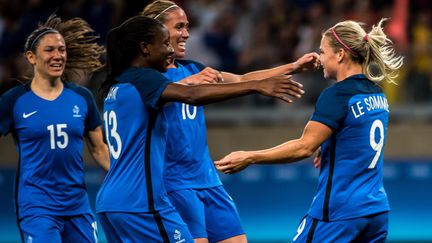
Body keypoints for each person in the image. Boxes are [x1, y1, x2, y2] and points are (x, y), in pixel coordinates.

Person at [96, 15, 306, 242]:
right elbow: (192, 95)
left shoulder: (119, 84)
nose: (170, 50)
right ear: (145, 48)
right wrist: (255, 86)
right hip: (141, 202)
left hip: (112, 201)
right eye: (165, 43)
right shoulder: (145, 80)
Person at [215, 18, 403, 242]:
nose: (320, 59)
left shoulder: (337, 95)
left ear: (340, 54)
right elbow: (358, 135)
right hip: (376, 211)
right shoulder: (377, 94)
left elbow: (304, 148)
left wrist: (251, 156)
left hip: (339, 212)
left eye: (323, 52)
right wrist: (329, 145)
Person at [0, 15, 109, 243]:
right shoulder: (15, 101)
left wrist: (124, 175)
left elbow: (99, 149)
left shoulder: (82, 97)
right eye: (50, 50)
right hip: (36, 206)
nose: (58, 55)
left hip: (77, 205)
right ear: (31, 57)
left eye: (62, 49)